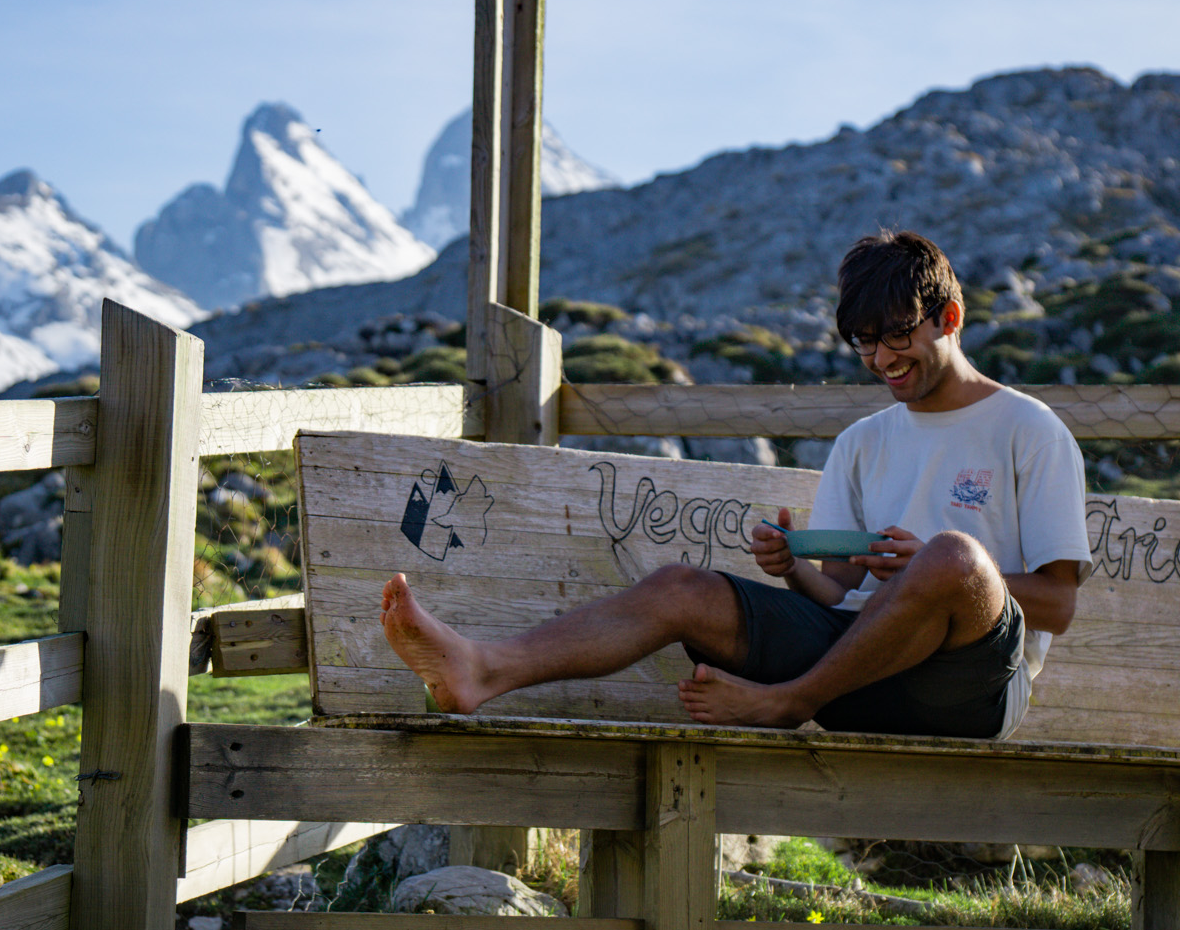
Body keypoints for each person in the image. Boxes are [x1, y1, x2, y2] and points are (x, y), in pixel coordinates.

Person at [377, 229, 1092, 737]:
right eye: (864, 342)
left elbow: (1058, 604)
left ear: (950, 319)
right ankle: (483, 669)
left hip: (970, 689)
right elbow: (839, 596)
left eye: (897, 334)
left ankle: (788, 702)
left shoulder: (1028, 429)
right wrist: (794, 568)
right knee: (680, 587)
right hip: (862, 673)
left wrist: (934, 571)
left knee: (953, 556)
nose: (882, 358)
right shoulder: (863, 442)